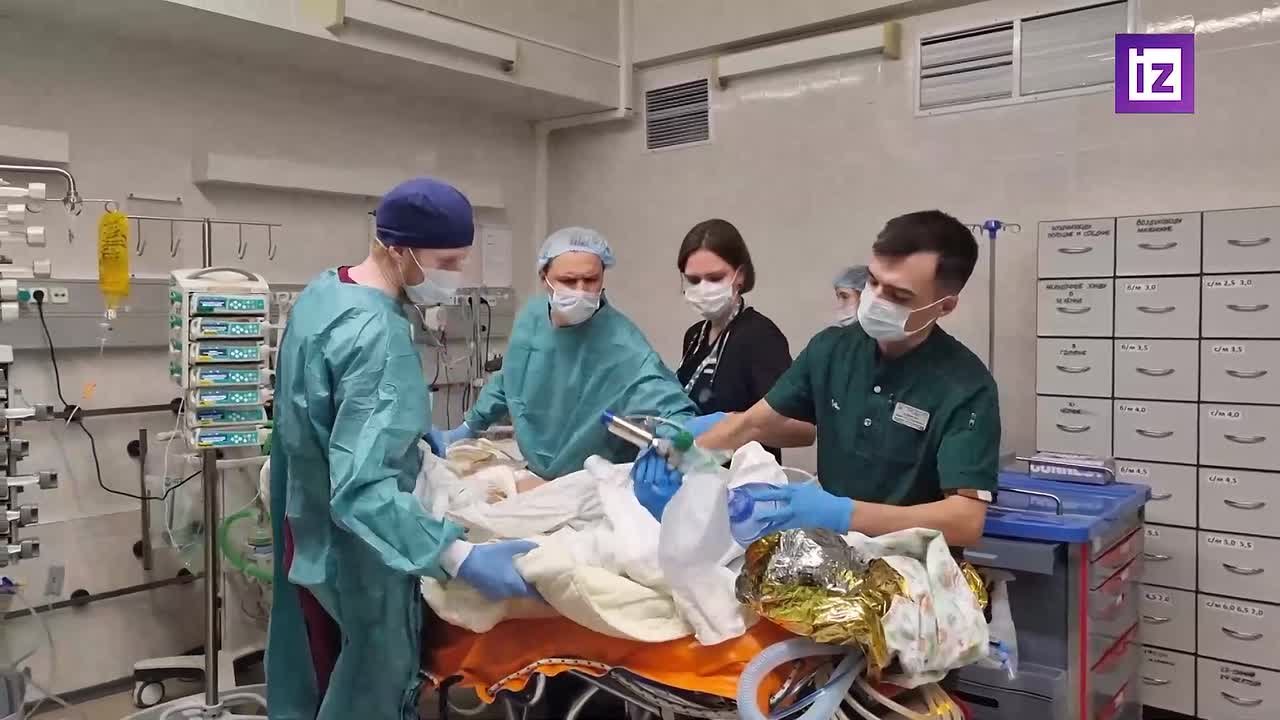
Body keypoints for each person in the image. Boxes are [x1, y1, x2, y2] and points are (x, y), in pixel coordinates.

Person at [268, 178, 540, 720]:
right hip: (359, 549)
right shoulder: (375, 333)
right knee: (368, 682)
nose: (455, 276)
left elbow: (324, 412)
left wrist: (410, 439)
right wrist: (456, 555)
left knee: (316, 671)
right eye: (447, 262)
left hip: (308, 522)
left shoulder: (327, 291)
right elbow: (364, 488)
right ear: (398, 249)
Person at [637, 210, 999, 547]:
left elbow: (966, 521)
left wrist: (843, 513)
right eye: (873, 282)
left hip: (911, 564)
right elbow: (755, 423)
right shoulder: (832, 350)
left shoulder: (966, 387)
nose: (876, 299)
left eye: (899, 295)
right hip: (832, 554)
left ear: (944, 306)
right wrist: (683, 455)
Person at [428, 227, 699, 480]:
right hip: (534, 470)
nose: (580, 290)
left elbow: (672, 412)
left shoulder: (623, 346)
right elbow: (510, 378)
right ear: (544, 279)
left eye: (590, 280)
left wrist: (674, 443)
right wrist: (470, 426)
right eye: (568, 281)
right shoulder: (532, 318)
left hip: (590, 481)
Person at [674, 219, 792, 461]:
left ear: (741, 275)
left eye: (715, 278)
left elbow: (800, 428)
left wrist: (735, 426)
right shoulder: (695, 336)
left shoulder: (760, 336)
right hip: (698, 471)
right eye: (694, 280)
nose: (703, 288)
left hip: (745, 476)